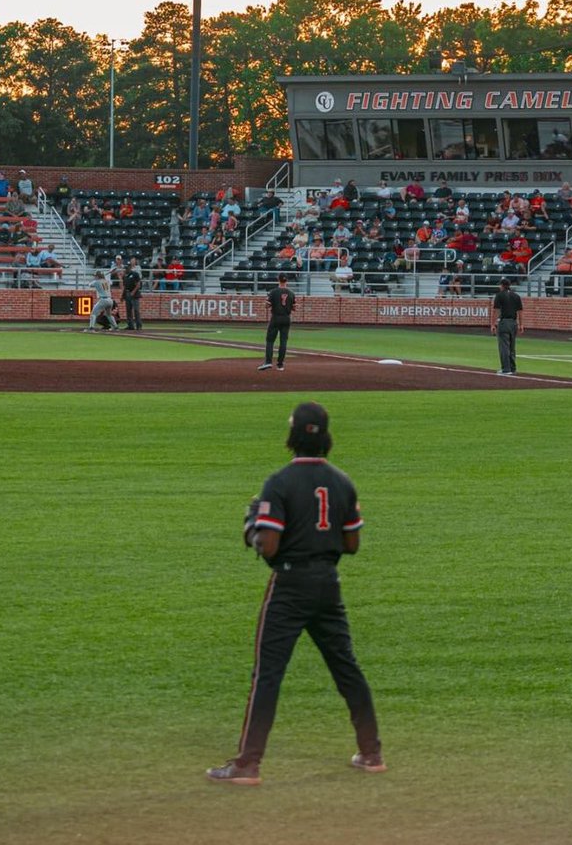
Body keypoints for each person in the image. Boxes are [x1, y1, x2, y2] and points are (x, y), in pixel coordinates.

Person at [206, 401, 385, 786]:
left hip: (289, 587)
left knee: (268, 675)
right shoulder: (342, 482)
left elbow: (268, 545)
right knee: (346, 668)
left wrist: (251, 528)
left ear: (292, 435)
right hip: (328, 586)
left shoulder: (280, 482)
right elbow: (352, 543)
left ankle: (248, 764)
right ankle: (371, 753)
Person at [259, 273, 296, 371]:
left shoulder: (274, 292)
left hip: (276, 317)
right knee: (283, 341)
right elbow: (294, 307)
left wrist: (265, 304)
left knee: (270, 340)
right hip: (286, 318)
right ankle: (280, 364)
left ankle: (268, 362)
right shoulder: (291, 293)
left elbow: (267, 305)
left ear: (278, 280)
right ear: (286, 281)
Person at [490, 277, 524, 376]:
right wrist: (521, 324)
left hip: (504, 322)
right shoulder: (516, 296)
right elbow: (520, 311)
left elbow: (496, 311)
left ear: (502, 285)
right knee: (512, 347)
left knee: (504, 347)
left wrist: (493, 324)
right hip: (513, 323)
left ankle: (506, 368)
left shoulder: (499, 296)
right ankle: (512, 368)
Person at [123, 256, 144, 330]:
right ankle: (130, 325)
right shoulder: (125, 276)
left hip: (135, 294)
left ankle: (139, 325)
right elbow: (125, 287)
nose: (125, 270)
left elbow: (138, 284)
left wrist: (133, 292)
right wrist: (123, 296)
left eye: (126, 268)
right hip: (128, 293)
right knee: (128, 310)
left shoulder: (135, 274)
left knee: (136, 310)